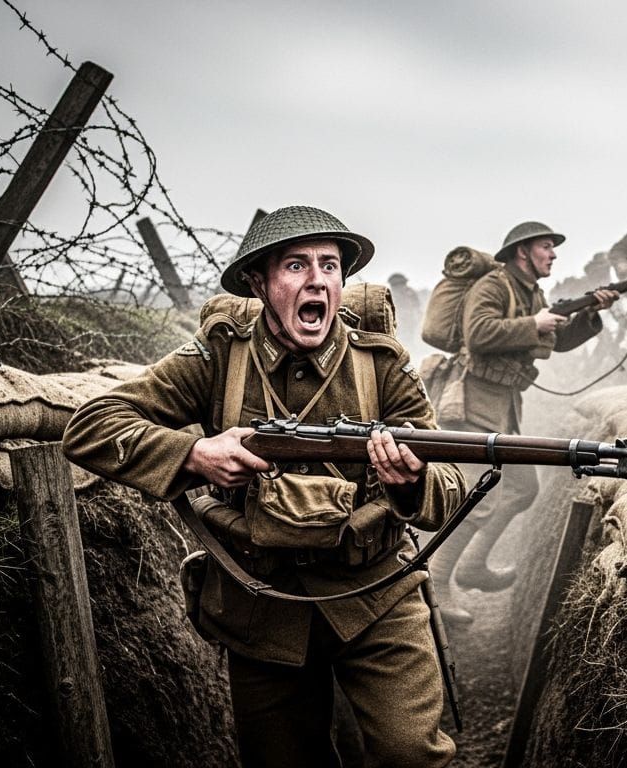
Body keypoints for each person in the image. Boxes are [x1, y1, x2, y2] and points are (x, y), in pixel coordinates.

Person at [63, 205, 466, 768]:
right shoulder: (218, 355)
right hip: (261, 608)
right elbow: (91, 427)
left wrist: (412, 480)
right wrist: (195, 453)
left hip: (375, 598)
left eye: (329, 266)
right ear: (258, 282)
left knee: (411, 755)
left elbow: (449, 483)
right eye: (296, 265)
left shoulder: (380, 363)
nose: (317, 280)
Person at [431, 221, 619, 624]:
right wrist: (534, 323)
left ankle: (473, 565)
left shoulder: (532, 291)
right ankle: (435, 586)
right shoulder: (495, 285)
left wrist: (589, 313)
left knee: (522, 488)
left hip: (501, 409)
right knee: (476, 503)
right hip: (470, 408)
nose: (553, 255)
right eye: (547, 247)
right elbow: (478, 334)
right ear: (523, 252)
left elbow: (557, 341)